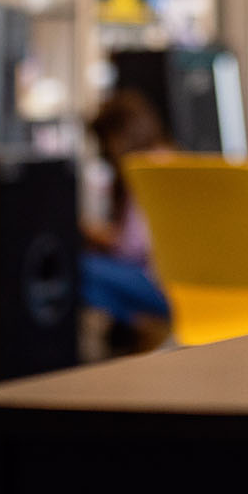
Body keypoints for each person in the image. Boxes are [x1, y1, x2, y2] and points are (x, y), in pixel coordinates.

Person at [81, 88, 174, 352]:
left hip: (161, 284)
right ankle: (133, 331)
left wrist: (89, 233)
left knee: (81, 270)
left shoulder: (145, 168)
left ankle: (132, 331)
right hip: (180, 282)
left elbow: (130, 247)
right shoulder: (168, 156)